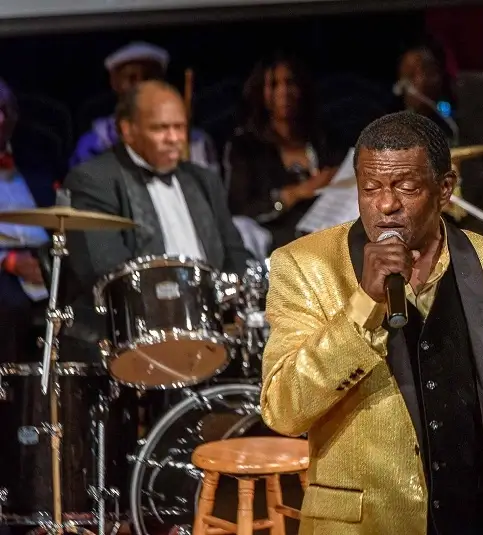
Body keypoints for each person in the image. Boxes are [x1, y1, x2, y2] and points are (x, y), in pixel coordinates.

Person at [260, 111, 483, 535]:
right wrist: (364, 305)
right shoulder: (305, 266)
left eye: (406, 187)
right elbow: (283, 410)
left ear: (445, 188)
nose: (386, 204)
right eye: (370, 189)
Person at [62, 80, 250, 356]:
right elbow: (104, 272)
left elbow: (235, 255)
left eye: (180, 127)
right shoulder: (94, 180)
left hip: (212, 328)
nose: (174, 138)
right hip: (135, 337)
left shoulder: (203, 181)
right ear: (127, 130)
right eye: (161, 128)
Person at [226, 55, 344, 250]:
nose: (284, 92)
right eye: (274, 84)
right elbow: (240, 209)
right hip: (276, 247)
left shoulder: (324, 139)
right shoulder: (245, 146)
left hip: (330, 237)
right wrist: (296, 193)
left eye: (290, 83)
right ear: (260, 91)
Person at [70, 41, 218, 172]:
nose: (141, 85)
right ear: (115, 83)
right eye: (131, 78)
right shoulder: (96, 143)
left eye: (148, 77)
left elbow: (209, 195)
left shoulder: (195, 141)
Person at [0, 78, 49, 364]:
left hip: (44, 260)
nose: (0, 118)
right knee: (8, 305)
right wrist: (10, 263)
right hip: (5, 268)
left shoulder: (36, 163)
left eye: (5, 109)